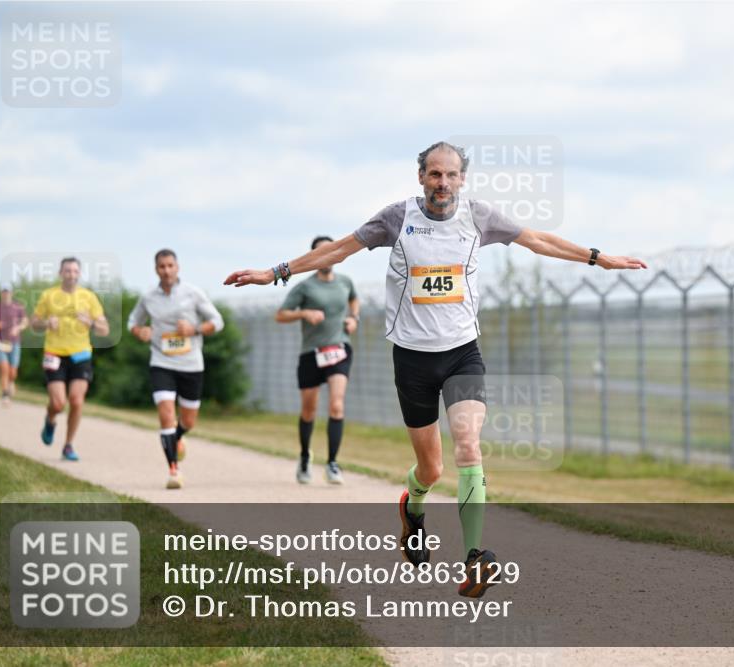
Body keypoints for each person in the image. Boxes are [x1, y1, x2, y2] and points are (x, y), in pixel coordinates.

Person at [225, 141, 647, 598]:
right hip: (412, 358)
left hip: (463, 352)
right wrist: (276, 272)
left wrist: (597, 257)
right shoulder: (396, 218)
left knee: (468, 444)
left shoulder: (479, 215)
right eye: (433, 174)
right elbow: (339, 251)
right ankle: (413, 508)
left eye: (450, 175)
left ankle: (474, 558)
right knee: (431, 467)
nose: (442, 183)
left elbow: (537, 240)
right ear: (421, 177)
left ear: (462, 179)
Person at [128, 249, 224, 489]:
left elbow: (217, 322)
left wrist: (195, 329)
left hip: (191, 363)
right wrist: (140, 331)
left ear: (177, 267)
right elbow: (133, 322)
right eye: (162, 266)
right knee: (166, 414)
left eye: (170, 265)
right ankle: (174, 470)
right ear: (156, 269)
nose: (166, 270)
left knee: (188, 421)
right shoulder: (148, 297)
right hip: (161, 362)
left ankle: (177, 437)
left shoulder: (193, 293)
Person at [275, 235, 359, 486]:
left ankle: (332, 463)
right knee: (309, 410)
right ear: (314, 257)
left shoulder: (345, 282)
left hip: (339, 349)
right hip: (311, 353)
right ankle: (304, 456)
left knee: (336, 406)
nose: (327, 256)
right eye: (321, 253)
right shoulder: (304, 287)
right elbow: (280, 315)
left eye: (331, 251)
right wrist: (304, 313)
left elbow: (354, 299)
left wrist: (354, 318)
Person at [31, 257, 110, 461]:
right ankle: (50, 420)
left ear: (79, 274)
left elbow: (105, 329)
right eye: (67, 271)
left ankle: (68, 445)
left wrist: (91, 323)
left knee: (76, 400)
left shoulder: (88, 297)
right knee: (58, 404)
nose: (71, 275)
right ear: (60, 273)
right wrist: (47, 322)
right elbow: (34, 324)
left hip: (80, 354)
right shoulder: (49, 295)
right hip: (54, 353)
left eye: (75, 271)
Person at [0, 283, 28, 406]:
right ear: (1, 293)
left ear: (11, 293)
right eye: (4, 292)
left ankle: (11, 382)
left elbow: (25, 321)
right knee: (4, 368)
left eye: (8, 292)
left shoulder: (18, 307)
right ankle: (5, 395)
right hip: (0, 342)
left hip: (14, 342)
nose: (6, 294)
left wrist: (18, 328)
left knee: (13, 371)